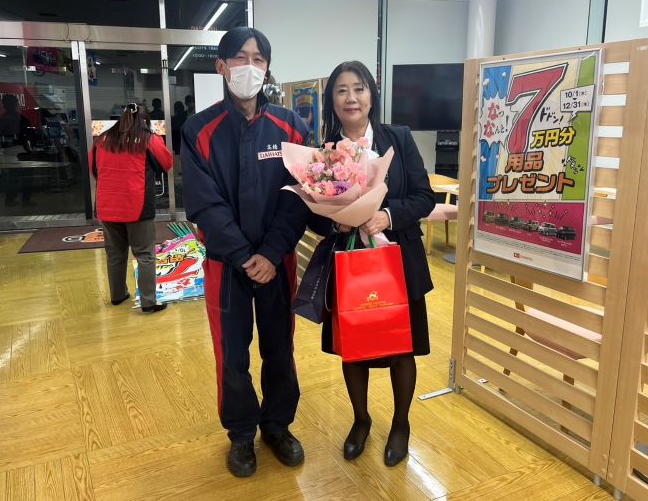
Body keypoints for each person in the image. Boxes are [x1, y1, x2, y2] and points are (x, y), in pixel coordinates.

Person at [181, 27, 310, 478]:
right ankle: (240, 434)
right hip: (226, 265)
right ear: (221, 67)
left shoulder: (291, 127)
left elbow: (300, 195)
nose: (249, 67)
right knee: (232, 353)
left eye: (258, 59)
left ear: (267, 69)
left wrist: (271, 254)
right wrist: (243, 255)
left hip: (278, 263)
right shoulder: (199, 130)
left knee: (280, 348)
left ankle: (277, 426)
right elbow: (204, 203)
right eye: (240, 58)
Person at [319, 61, 435, 467]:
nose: (351, 98)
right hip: (350, 261)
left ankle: (401, 423)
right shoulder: (325, 152)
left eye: (359, 88)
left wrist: (387, 216)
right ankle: (361, 419)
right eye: (341, 90)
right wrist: (335, 219)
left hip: (399, 260)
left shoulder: (398, 139)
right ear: (332, 100)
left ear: (371, 95)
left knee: (402, 346)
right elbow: (312, 214)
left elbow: (424, 197)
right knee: (354, 348)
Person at [90, 103, 173, 313]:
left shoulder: (102, 139)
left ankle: (118, 295)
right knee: (144, 254)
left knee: (115, 254)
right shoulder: (148, 139)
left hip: (107, 207)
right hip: (137, 206)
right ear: (145, 121)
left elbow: (94, 169)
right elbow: (166, 163)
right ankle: (148, 302)